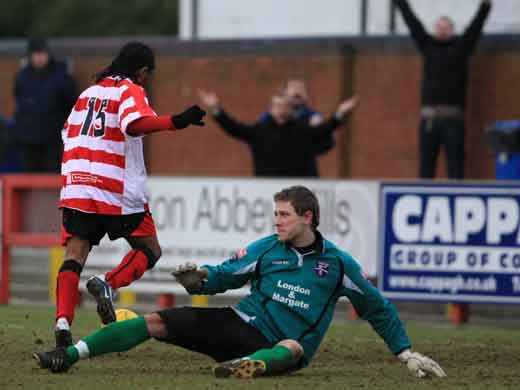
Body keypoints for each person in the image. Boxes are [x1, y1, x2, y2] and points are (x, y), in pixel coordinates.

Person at [35, 185, 446, 380]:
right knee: (155, 321)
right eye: (276, 214)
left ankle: (245, 368)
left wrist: (405, 352)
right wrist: (200, 281)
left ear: (308, 218)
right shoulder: (268, 248)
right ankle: (71, 355)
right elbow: (226, 276)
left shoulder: (338, 265)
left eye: (284, 215)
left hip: (283, 345)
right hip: (239, 323)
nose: (277, 221)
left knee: (293, 347)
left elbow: (376, 306)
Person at [52, 41, 206, 352]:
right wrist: (177, 121)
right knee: (150, 249)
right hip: (115, 188)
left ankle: (62, 322)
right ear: (142, 71)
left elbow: (66, 133)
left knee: (75, 256)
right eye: (147, 74)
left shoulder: (87, 94)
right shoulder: (129, 89)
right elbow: (135, 124)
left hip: (78, 186)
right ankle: (107, 283)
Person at [395, 0, 492, 179]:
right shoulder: (427, 47)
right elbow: (412, 23)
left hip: (453, 121)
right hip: (429, 120)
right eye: (439, 27)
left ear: (452, 30)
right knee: (426, 169)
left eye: (446, 27)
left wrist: (485, 6)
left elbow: (475, 27)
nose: (442, 30)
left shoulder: (461, 48)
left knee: (455, 168)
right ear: (434, 30)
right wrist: (401, 3)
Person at [199, 90, 357, 177]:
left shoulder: (302, 130)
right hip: (264, 191)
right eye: (277, 105)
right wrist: (216, 110)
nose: (281, 109)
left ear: (291, 109)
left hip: (295, 191)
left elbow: (325, 129)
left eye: (285, 106)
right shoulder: (260, 130)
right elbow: (234, 128)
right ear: (271, 108)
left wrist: (340, 113)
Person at [12, 37, 77, 172]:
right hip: (28, 139)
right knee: (29, 178)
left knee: (52, 176)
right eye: (36, 54)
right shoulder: (22, 76)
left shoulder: (61, 76)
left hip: (53, 139)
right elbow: (18, 101)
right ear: (30, 56)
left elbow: (72, 104)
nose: (40, 58)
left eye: (43, 53)